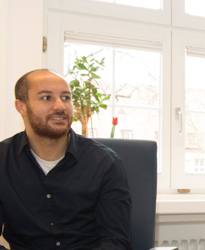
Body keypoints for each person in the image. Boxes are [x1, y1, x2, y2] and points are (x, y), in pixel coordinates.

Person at [0, 69, 132, 249]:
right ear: (21, 106)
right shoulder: (3, 160)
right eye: (46, 98)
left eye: (66, 98)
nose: (60, 106)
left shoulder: (105, 162)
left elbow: (115, 241)